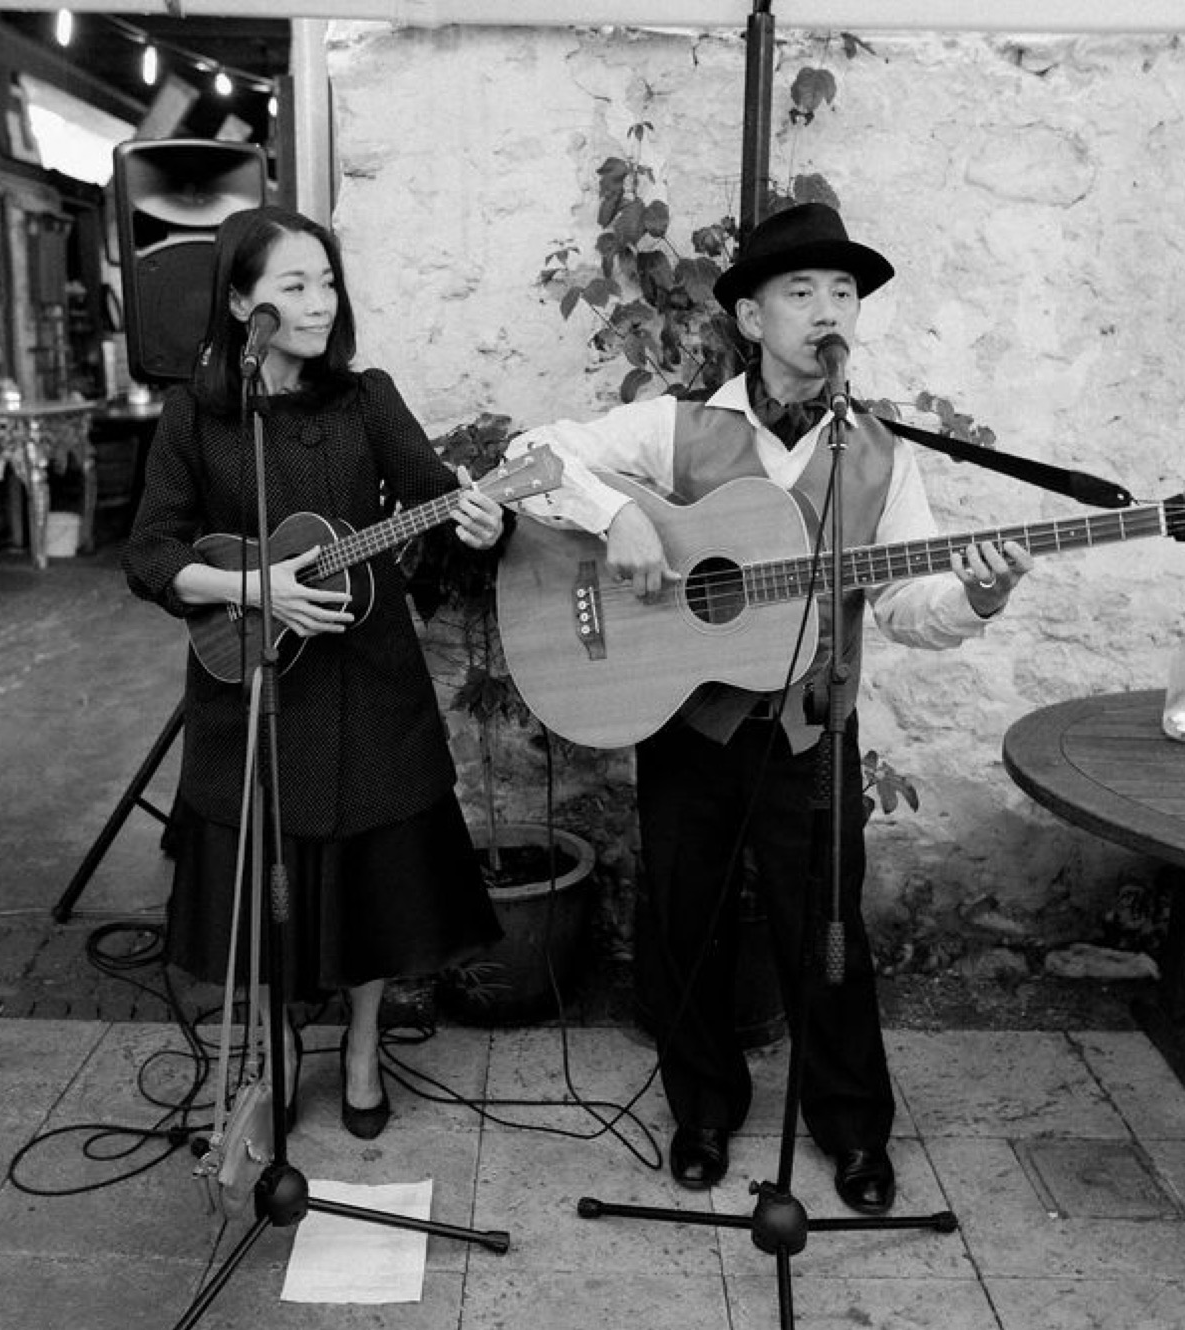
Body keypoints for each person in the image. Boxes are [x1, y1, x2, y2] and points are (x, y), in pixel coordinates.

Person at [507, 203, 1034, 1211]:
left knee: (829, 933)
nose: (826, 309)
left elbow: (908, 605)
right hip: (691, 725)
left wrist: (977, 593)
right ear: (750, 319)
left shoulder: (879, 453)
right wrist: (616, 513)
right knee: (686, 921)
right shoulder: (678, 429)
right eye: (801, 291)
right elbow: (537, 455)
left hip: (808, 733)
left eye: (843, 292)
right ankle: (704, 1109)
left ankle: (850, 1128)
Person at [122, 205, 505, 1140]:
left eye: (327, 281)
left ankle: (365, 1046)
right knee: (269, 884)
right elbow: (149, 552)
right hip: (255, 691)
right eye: (294, 286)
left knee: (374, 887)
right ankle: (282, 1043)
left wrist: (481, 520)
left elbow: (431, 496)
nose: (319, 302)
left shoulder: (366, 398)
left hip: (371, 685)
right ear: (243, 303)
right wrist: (257, 585)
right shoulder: (198, 416)